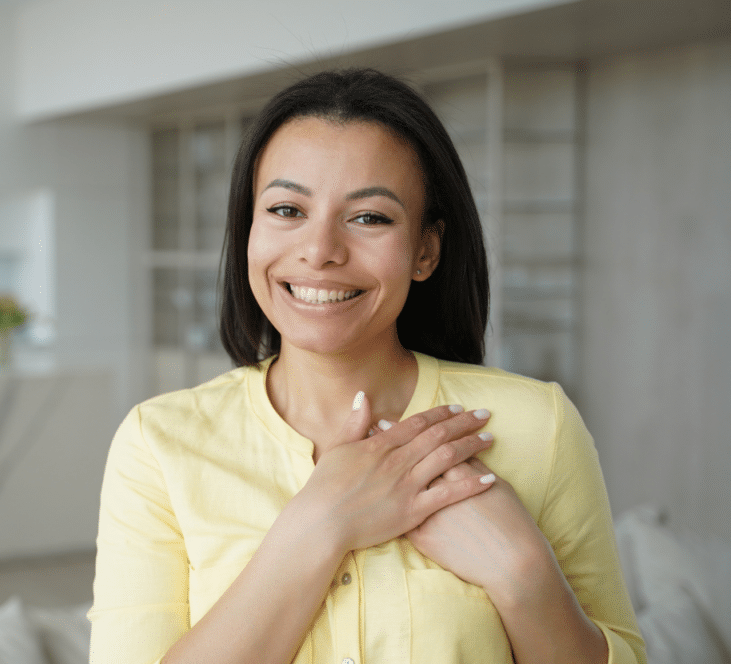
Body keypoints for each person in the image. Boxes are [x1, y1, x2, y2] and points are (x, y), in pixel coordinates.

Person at [89, 68, 645, 664]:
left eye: (369, 217)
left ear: (425, 251)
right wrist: (320, 526)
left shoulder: (539, 426)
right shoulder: (159, 444)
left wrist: (523, 574)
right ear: (249, 230)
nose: (320, 249)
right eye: (285, 209)